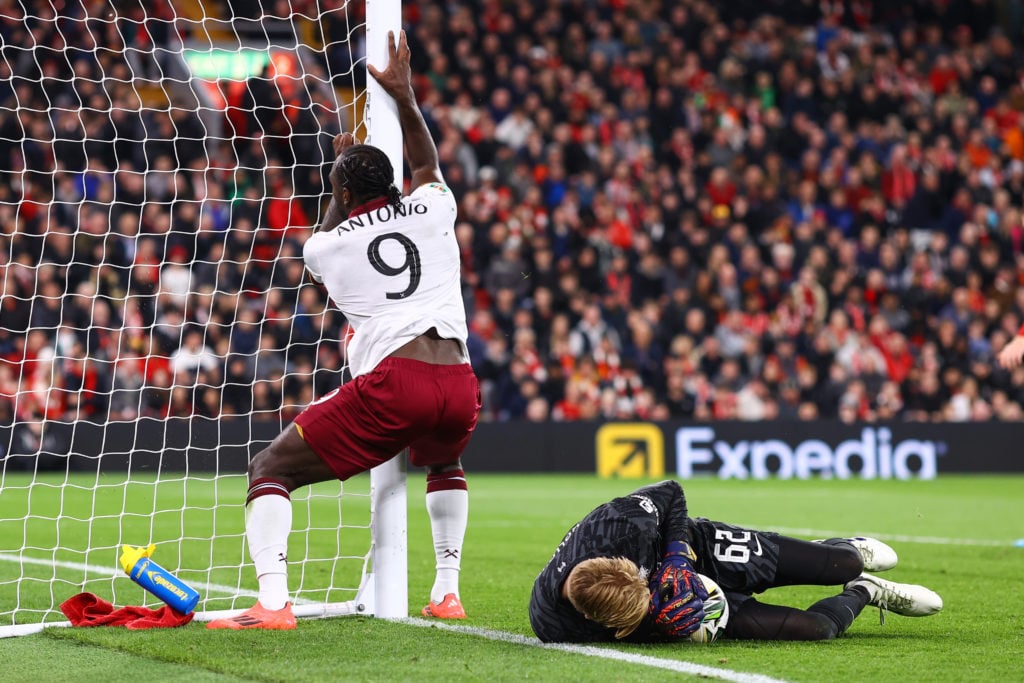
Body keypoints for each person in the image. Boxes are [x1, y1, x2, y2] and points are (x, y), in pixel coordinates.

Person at [209, 30, 481, 630]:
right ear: (391, 185)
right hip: (460, 381)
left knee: (268, 470)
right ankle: (447, 592)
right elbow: (426, 164)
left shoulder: (325, 248)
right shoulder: (436, 206)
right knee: (444, 464)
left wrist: (337, 184)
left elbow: (329, 233)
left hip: (397, 381)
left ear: (341, 193)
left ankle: (274, 604)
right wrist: (404, 97)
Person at [529, 480, 942, 643]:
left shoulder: (620, 526)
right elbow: (632, 624)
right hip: (692, 598)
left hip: (695, 548)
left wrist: (675, 558)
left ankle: (843, 555)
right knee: (815, 630)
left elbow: (671, 492)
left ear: (623, 564)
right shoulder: (553, 625)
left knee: (842, 563)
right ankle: (865, 590)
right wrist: (666, 624)